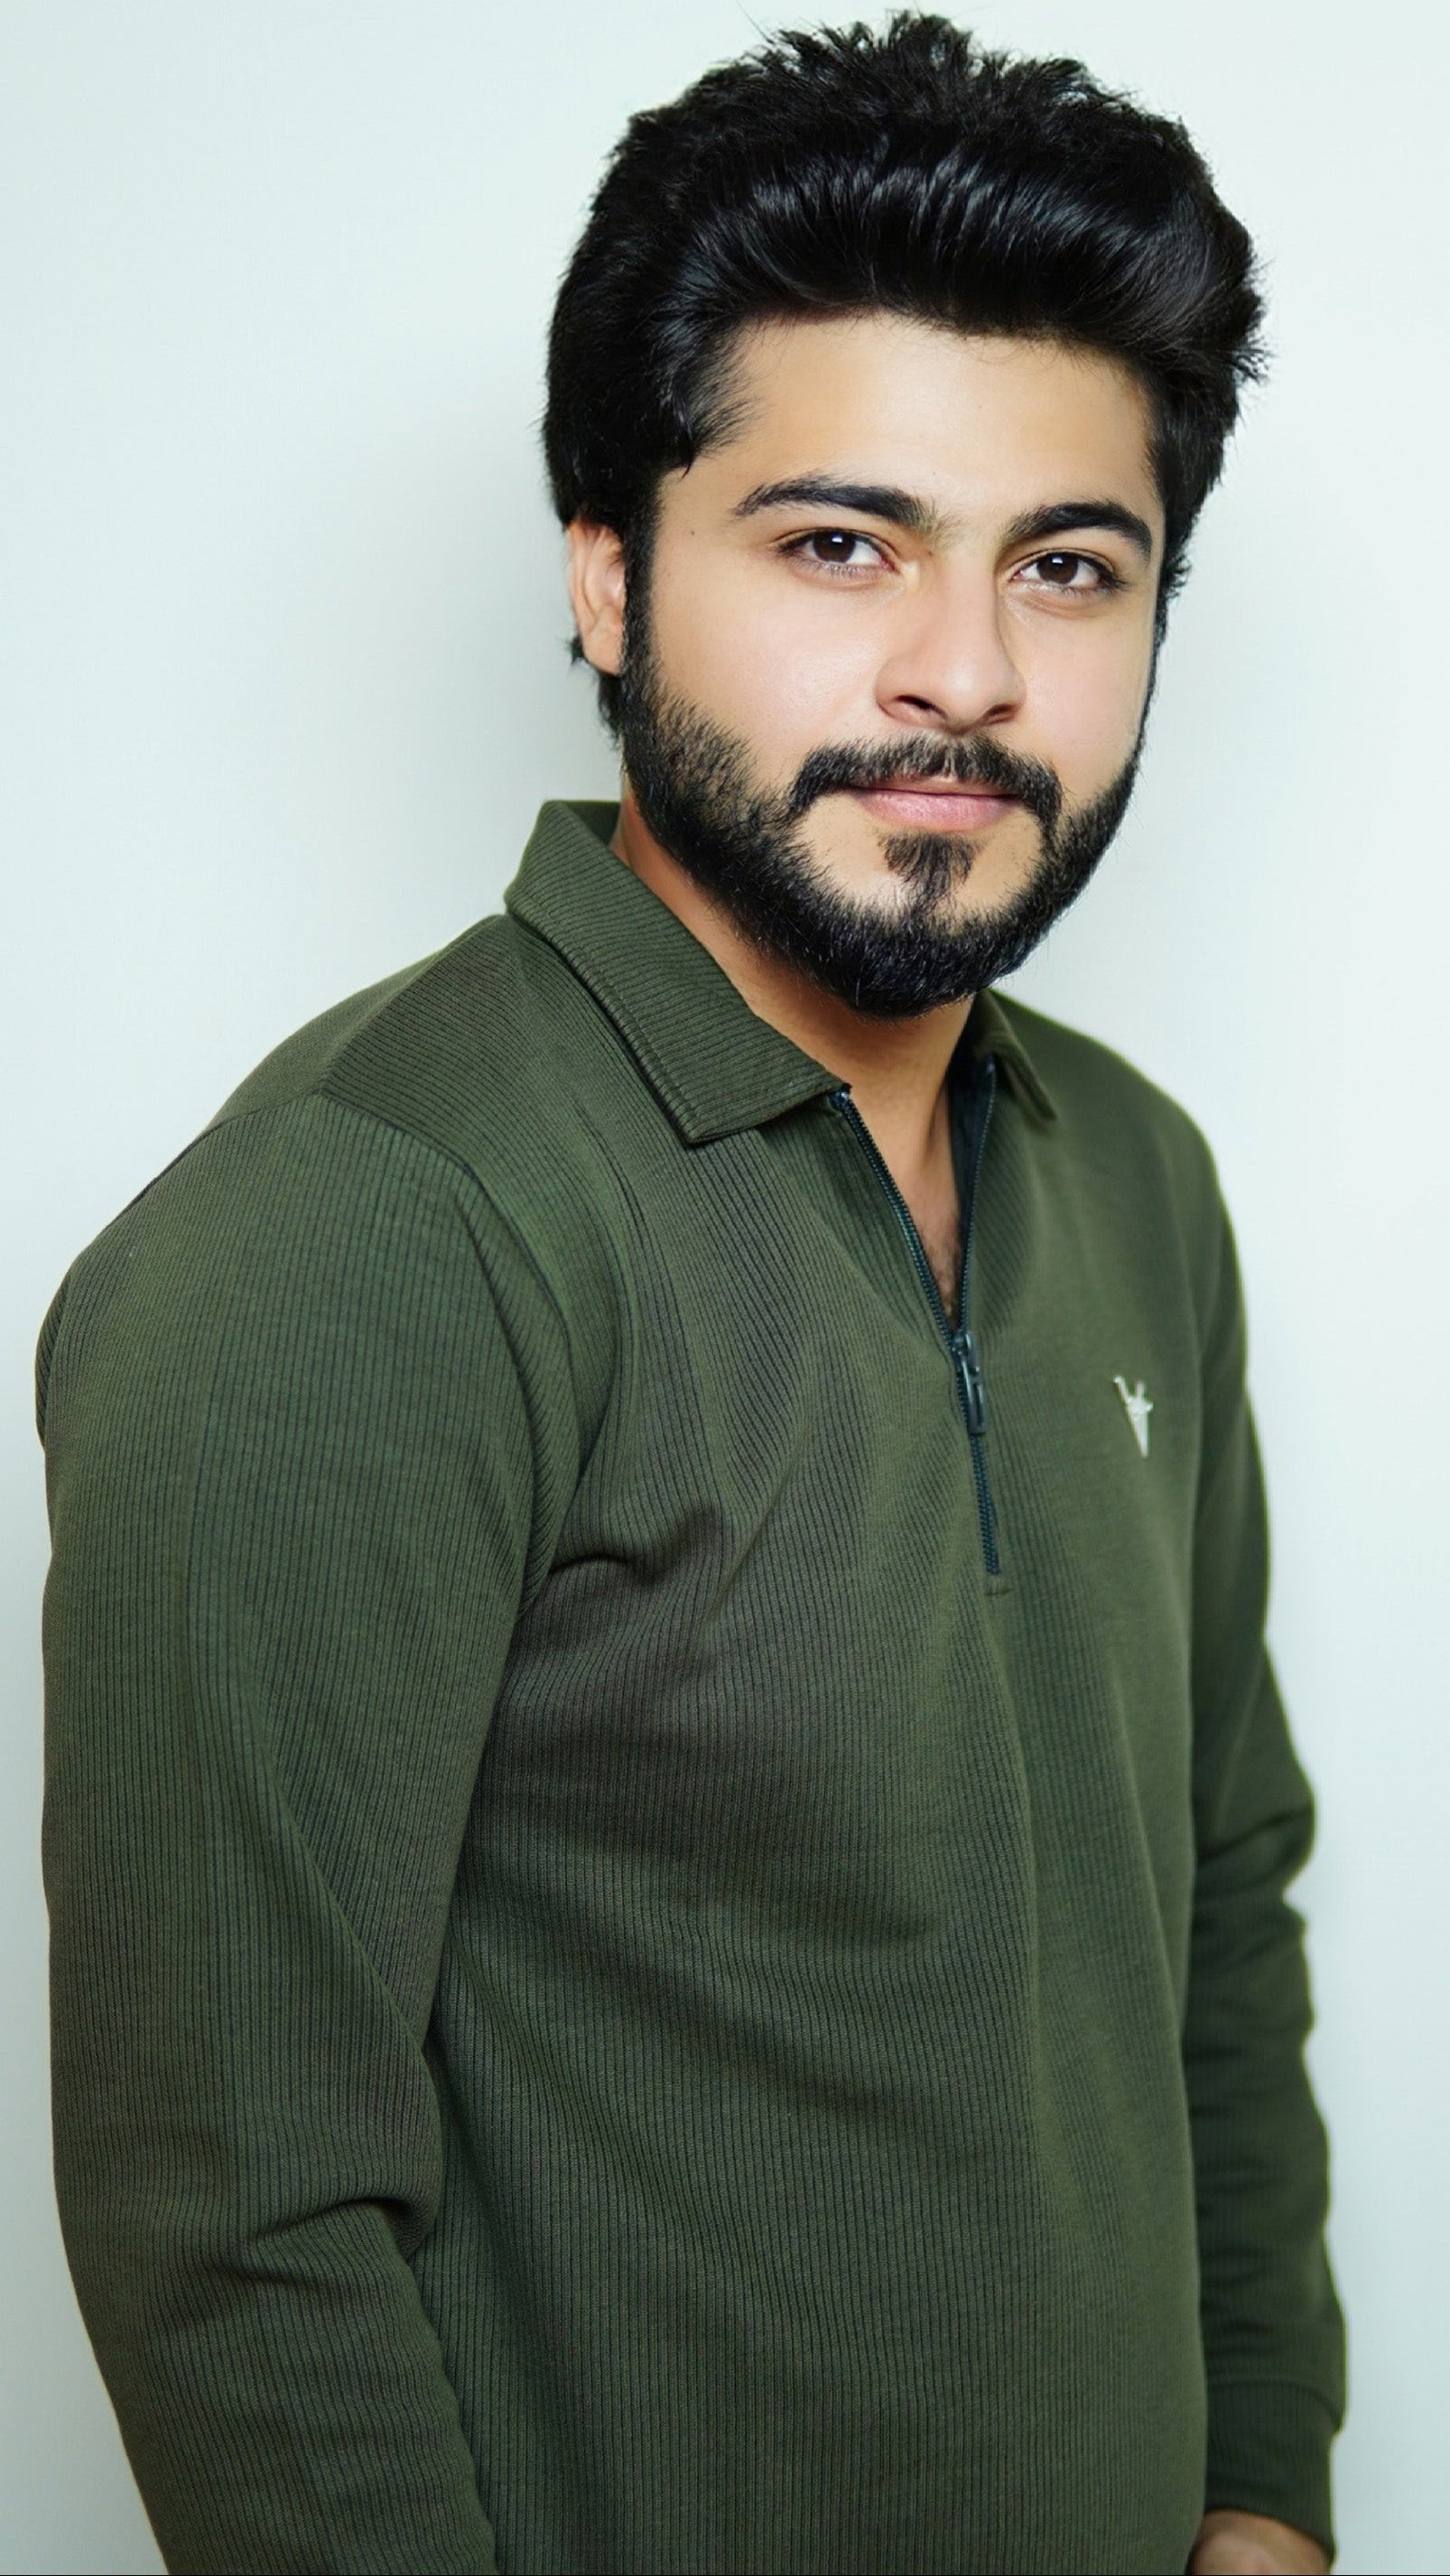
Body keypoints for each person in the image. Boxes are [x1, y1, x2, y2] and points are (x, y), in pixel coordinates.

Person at [38, 16, 1344, 2573]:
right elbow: (238, 2231)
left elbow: (1218, 1888)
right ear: (612, 571)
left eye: (1066, 565)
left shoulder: (1143, 1187)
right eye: (839, 545)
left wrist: (1262, 2498)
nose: (965, 672)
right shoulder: (369, 1223)